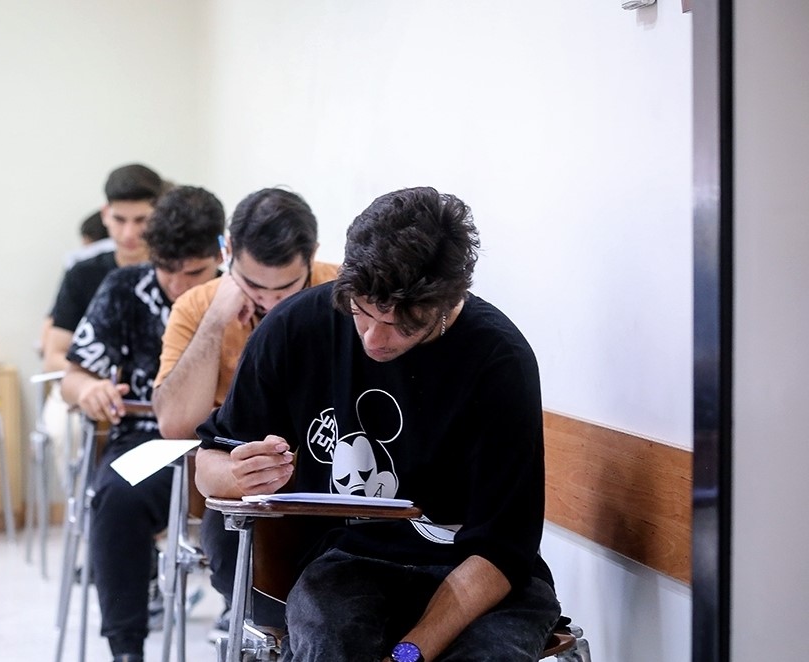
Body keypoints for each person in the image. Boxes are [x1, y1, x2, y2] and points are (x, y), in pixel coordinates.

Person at [195, 187, 560, 662]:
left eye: (403, 325)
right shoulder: (295, 328)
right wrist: (238, 474)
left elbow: (502, 550)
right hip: (350, 562)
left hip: (476, 571)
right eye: (362, 312)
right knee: (327, 639)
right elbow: (208, 466)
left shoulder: (499, 360)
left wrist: (409, 653)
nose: (373, 339)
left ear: (448, 301)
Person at [150, 187, 338, 633]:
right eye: (254, 286)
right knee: (235, 555)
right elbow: (175, 425)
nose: (271, 303)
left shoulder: (341, 291)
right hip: (241, 482)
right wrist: (215, 321)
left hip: (330, 471)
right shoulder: (199, 305)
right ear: (228, 250)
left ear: (311, 255)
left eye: (286, 288)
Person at [61, 185, 225, 662]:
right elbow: (74, 375)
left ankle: (252, 615)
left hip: (227, 443)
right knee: (115, 496)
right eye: (165, 269)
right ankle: (126, 647)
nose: (177, 284)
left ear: (222, 253)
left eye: (193, 272)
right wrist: (88, 390)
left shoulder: (241, 294)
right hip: (147, 440)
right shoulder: (124, 288)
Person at [42, 163, 165, 373]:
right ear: (105, 214)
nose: (129, 233)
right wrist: (91, 382)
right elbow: (53, 357)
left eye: (141, 220)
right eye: (119, 219)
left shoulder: (174, 274)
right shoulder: (82, 274)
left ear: (159, 216)